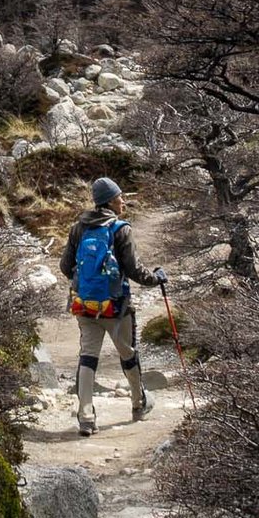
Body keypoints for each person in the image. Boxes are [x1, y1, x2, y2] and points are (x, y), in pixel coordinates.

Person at [59, 175, 164, 435]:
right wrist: (156, 278)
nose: (123, 201)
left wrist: (85, 282)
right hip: (116, 306)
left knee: (87, 356)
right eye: (120, 197)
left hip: (84, 304)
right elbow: (134, 270)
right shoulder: (120, 229)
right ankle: (138, 404)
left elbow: (64, 266)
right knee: (128, 353)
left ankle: (85, 416)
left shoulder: (78, 228)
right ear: (110, 201)